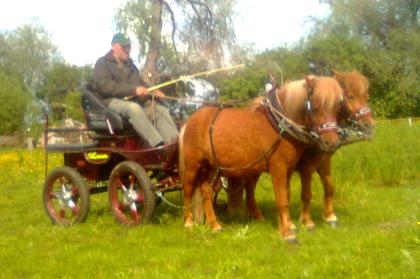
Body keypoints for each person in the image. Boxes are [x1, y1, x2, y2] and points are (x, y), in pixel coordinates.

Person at [90, 33, 179, 147]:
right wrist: (134, 90)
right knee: (134, 109)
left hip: (132, 102)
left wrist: (152, 92)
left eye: (129, 47)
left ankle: (175, 145)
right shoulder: (102, 63)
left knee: (159, 109)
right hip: (111, 102)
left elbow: (141, 86)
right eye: (124, 47)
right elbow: (105, 87)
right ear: (113, 46)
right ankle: (158, 146)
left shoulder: (131, 66)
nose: (127, 50)